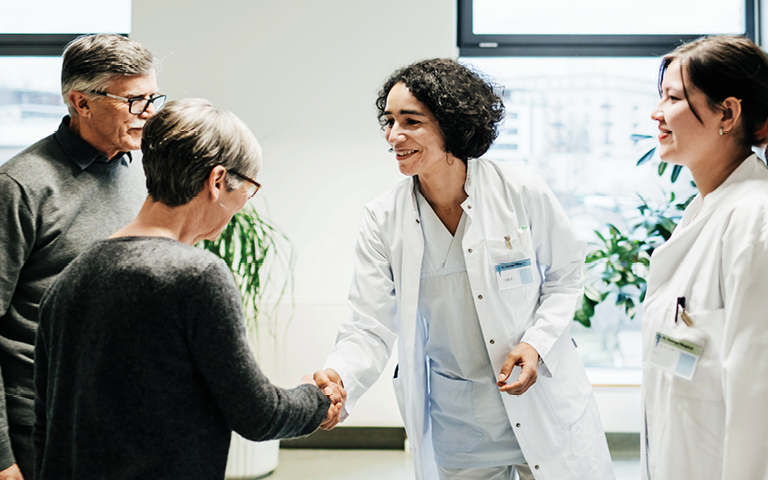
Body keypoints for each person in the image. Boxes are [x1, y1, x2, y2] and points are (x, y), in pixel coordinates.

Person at [314, 59, 614, 480]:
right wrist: (340, 377)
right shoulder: (384, 219)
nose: (394, 135)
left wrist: (537, 343)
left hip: (543, 402)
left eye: (411, 121)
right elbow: (369, 325)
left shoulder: (519, 189)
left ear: (451, 124)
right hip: (463, 422)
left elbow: (566, 274)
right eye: (390, 121)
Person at [33, 98, 344, 480]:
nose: (243, 206)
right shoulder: (197, 276)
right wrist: (316, 398)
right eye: (248, 189)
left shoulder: (69, 279)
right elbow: (258, 414)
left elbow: (44, 428)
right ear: (217, 181)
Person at [0, 33, 162, 480]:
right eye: (134, 101)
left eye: (153, 98)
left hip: (125, 418)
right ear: (81, 102)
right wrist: (2, 458)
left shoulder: (146, 171)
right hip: (43, 426)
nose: (149, 112)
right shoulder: (19, 187)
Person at [642, 35, 768, 480]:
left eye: (673, 98)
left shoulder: (755, 219)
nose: (657, 113)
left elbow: (758, 392)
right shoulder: (706, 210)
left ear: (727, 114)